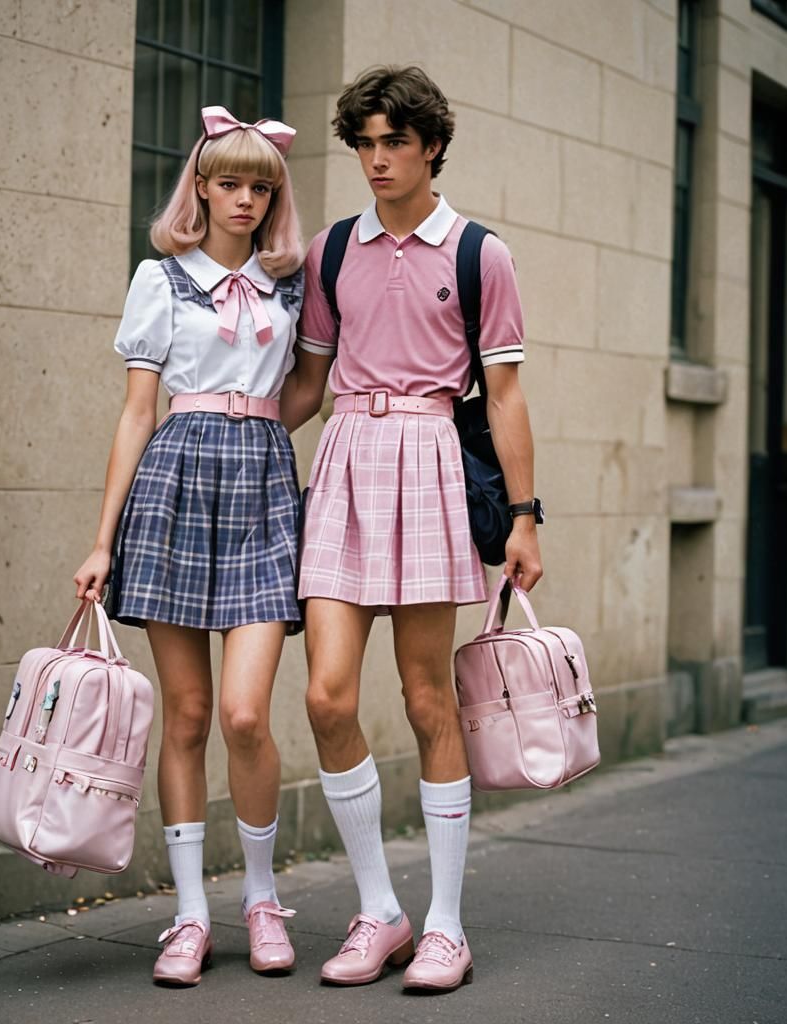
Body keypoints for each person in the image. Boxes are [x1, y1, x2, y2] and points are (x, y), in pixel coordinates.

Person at [282, 65, 543, 992]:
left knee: (430, 698)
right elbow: (309, 383)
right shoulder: (329, 251)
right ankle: (379, 910)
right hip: (348, 459)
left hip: (432, 461)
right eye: (365, 142)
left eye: (396, 141)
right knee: (325, 697)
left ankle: (444, 926)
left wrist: (524, 517)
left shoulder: (480, 254)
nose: (379, 159)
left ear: (432, 145)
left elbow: (504, 395)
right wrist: (232, 429)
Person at [73, 105, 305, 986]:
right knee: (189, 715)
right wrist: (102, 542)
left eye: (261, 186)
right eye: (230, 183)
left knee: (246, 714)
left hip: (260, 484)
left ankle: (258, 897)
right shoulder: (160, 279)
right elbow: (137, 413)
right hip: (174, 483)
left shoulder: (293, 285)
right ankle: (190, 915)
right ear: (200, 188)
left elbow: (309, 384)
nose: (245, 199)